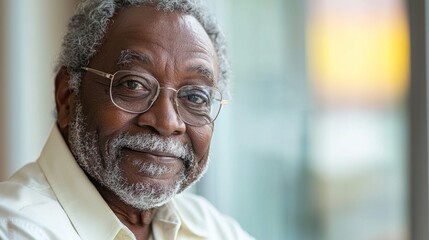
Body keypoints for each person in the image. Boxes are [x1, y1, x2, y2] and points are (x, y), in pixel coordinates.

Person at [0, 0, 254, 239]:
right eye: (133, 84)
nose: (167, 123)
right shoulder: (14, 228)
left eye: (195, 97)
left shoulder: (215, 228)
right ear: (67, 96)